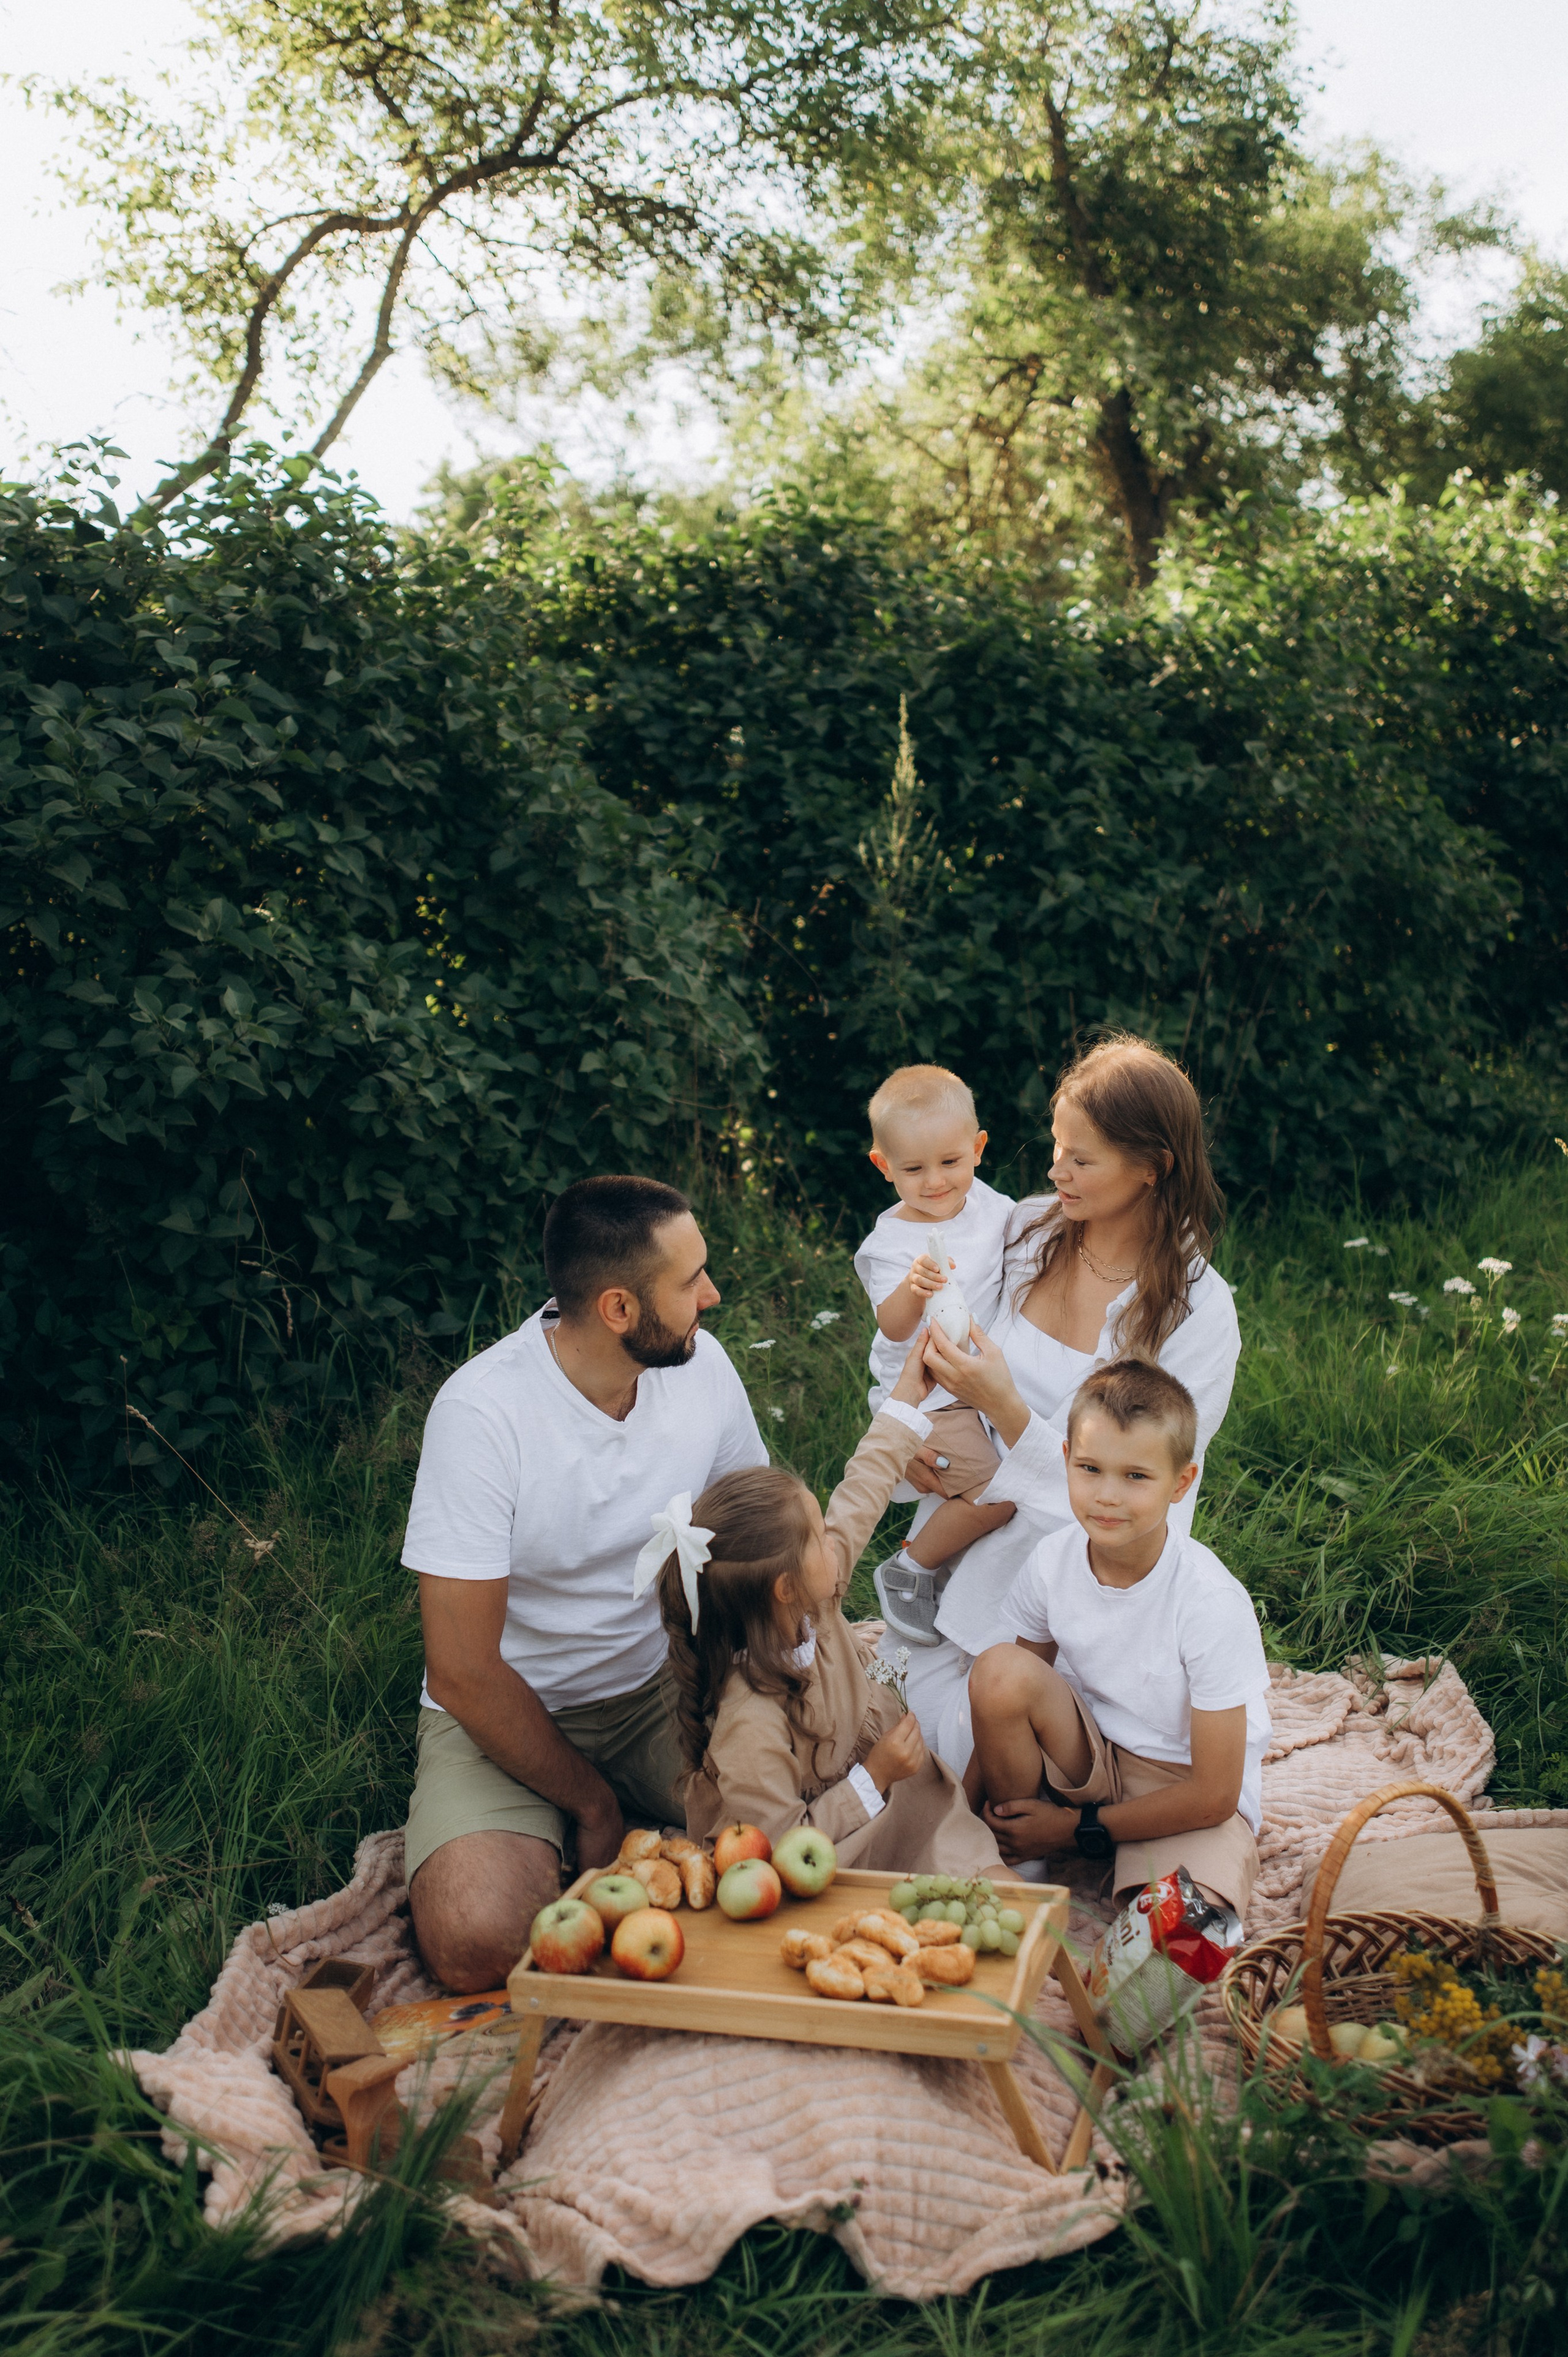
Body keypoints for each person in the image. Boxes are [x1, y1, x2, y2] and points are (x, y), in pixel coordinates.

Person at [401, 1175, 767, 1990]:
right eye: (690, 1281)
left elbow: (756, 1530)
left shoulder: (700, 1366)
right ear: (618, 1310)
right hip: (504, 1717)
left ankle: (635, 1824)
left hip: (659, 1688)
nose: (712, 1294)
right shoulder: (482, 1416)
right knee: (479, 1938)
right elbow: (462, 1671)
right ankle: (576, 1818)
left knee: (818, 1820)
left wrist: (776, 1670)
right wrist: (594, 1804)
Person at [886, 1034, 1242, 1771]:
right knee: (905, 1751)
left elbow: (1149, 1507)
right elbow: (916, 1329)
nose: (1056, 1170)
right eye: (1056, 1146)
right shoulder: (1018, 1233)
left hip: (1085, 1599)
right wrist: (908, 1427)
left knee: (998, 1767)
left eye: (1082, 1159)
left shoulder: (1198, 1313)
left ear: (1152, 1168)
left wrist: (1008, 1410)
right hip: (954, 1553)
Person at [658, 1331, 1002, 1874]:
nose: (833, 1538)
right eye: (820, 1536)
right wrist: (876, 1776)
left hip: (902, 1802)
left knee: (988, 1876)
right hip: (829, 1851)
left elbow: (861, 1492)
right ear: (785, 1588)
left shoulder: (810, 1604)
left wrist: (907, 1398)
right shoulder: (749, 1720)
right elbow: (780, 1846)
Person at [965, 1359, 1270, 1919]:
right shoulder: (1053, 1562)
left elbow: (1215, 1793)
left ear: (1181, 1483)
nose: (1106, 1496)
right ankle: (1022, 1859)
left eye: (1135, 1476)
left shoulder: (1209, 1602)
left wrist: (1073, 1830)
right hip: (1093, 1755)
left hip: (1182, 1787)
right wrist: (963, 1819)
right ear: (1066, 1462)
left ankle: (1094, 1857)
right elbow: (1007, 1693)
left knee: (1178, 1941)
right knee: (999, 1670)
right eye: (1090, 1468)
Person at [851, 1064, 1016, 1638]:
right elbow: (893, 1328)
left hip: (975, 1384)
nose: (936, 1182)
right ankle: (910, 1569)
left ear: (978, 1148)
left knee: (1006, 1486)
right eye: (914, 1169)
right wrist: (912, 1289)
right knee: (1003, 1495)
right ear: (883, 1166)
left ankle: (950, 1573)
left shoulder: (993, 1208)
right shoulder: (891, 1243)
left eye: (950, 1162)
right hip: (929, 1397)